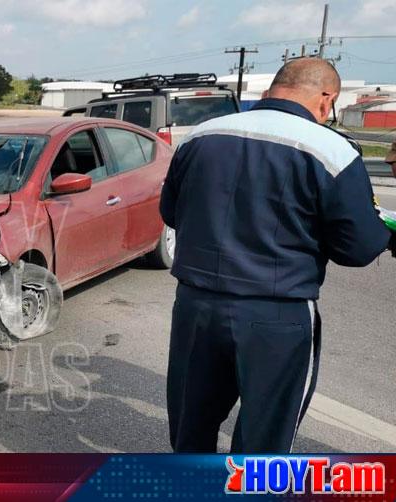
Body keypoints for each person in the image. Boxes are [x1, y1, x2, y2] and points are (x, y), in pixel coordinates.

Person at [160, 58, 395, 453]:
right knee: (263, 440)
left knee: (191, 427)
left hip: (195, 306)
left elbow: (171, 212)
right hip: (276, 314)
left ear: (273, 89)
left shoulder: (201, 135)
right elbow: (356, 248)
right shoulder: (331, 150)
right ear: (327, 99)